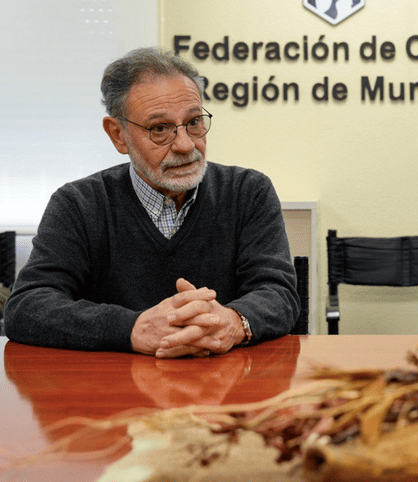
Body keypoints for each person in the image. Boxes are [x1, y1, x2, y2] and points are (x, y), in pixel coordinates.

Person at [5, 47, 300, 357]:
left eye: (194, 122)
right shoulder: (78, 204)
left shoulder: (248, 192)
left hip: (225, 381)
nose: (186, 145)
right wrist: (133, 328)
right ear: (118, 135)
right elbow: (27, 307)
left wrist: (232, 322)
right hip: (115, 384)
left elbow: (278, 294)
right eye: (160, 129)